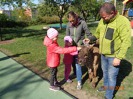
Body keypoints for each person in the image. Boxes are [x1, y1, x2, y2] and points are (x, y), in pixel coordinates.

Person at [88, 2, 131, 99]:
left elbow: (126, 42)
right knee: (105, 73)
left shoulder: (123, 22)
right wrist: (91, 39)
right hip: (103, 54)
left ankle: (108, 96)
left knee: (112, 77)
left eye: (104, 17)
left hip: (113, 56)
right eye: (101, 17)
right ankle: (106, 87)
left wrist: (118, 58)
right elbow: (98, 33)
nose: (102, 19)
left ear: (112, 13)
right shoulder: (102, 20)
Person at [66, 11, 97, 89]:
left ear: (76, 17)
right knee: (72, 62)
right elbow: (67, 36)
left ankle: (79, 81)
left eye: (73, 20)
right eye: (70, 21)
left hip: (80, 48)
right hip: (71, 48)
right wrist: (68, 42)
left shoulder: (82, 23)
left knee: (78, 64)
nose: (71, 22)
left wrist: (89, 39)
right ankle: (76, 73)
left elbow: (89, 34)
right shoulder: (68, 25)